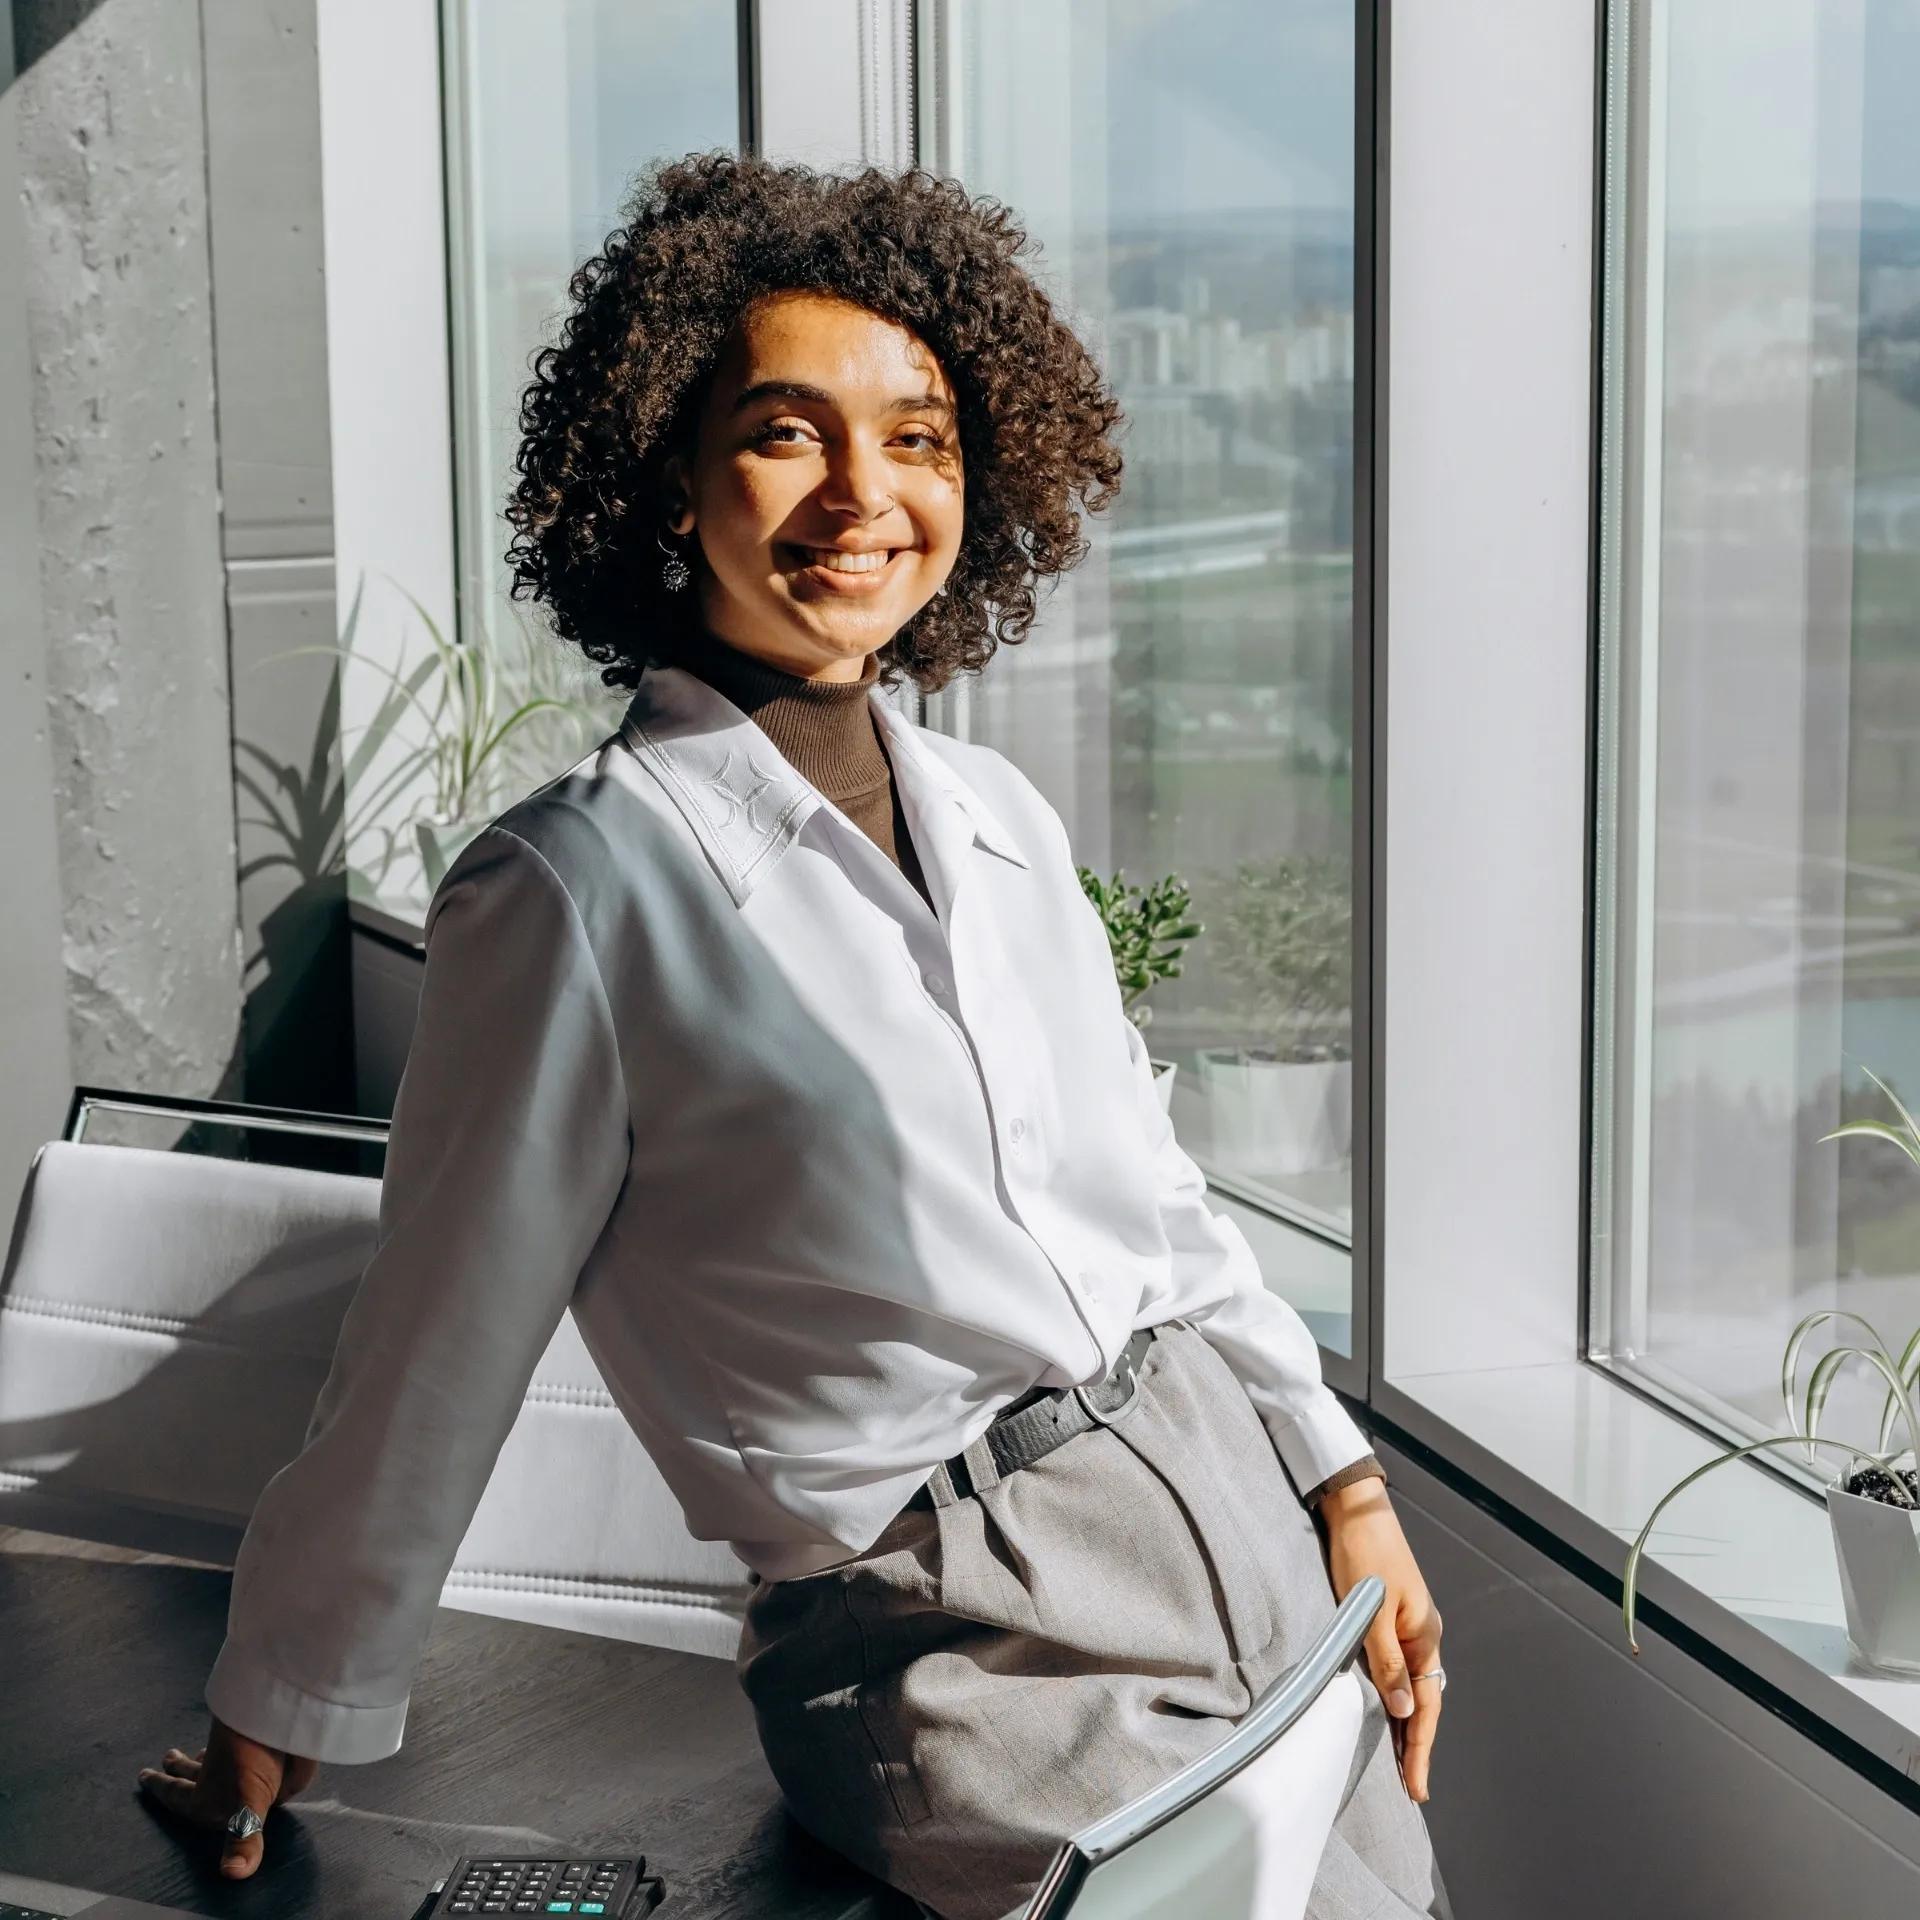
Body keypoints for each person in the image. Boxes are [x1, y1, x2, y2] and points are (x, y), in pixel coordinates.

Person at [140, 156, 1448, 1920]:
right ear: (669, 473)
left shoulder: (994, 816)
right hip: (960, 1628)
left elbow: (1155, 1198)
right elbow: (434, 1345)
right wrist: (278, 1703)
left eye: (918, 438)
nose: (865, 494)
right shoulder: (575, 886)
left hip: (1236, 1512)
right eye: (785, 432)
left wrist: (1342, 1481)